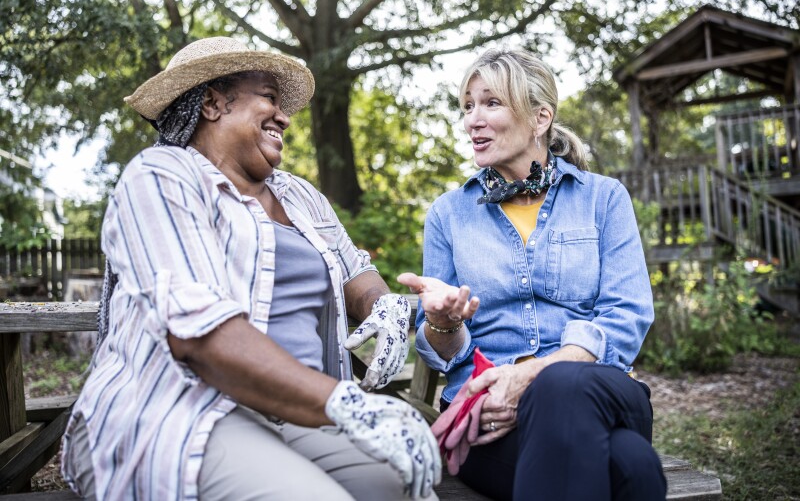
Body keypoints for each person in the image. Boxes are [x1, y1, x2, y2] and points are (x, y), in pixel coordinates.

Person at [60, 37, 440, 500]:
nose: (284, 116)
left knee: (401, 485)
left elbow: (354, 269)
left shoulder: (300, 196)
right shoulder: (161, 176)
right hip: (180, 408)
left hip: (293, 412)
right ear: (213, 102)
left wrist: (386, 307)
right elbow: (199, 335)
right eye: (268, 97)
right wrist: (346, 403)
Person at [398, 48, 667, 500]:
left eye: (490, 103)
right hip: (491, 414)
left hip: (598, 391)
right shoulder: (448, 215)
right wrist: (444, 322)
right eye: (467, 106)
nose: (472, 120)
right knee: (633, 468)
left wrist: (529, 378)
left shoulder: (604, 199)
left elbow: (627, 315)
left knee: (560, 385)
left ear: (540, 117)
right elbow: (443, 352)